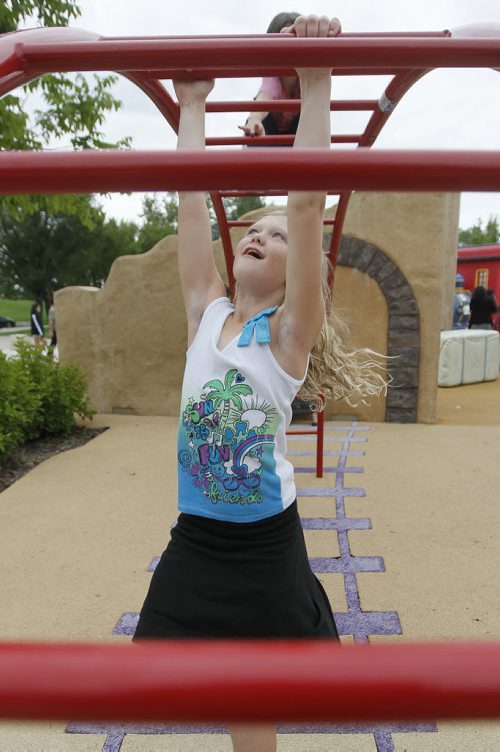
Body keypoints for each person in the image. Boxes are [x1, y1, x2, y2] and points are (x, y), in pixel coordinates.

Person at [134, 15, 386, 752]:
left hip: (265, 547)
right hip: (197, 539)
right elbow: (188, 200)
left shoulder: (285, 336)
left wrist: (316, 80)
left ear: (296, 277)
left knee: (253, 702)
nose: (262, 234)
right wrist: (192, 103)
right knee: (152, 676)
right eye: (254, 227)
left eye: (277, 238)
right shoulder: (204, 311)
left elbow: (307, 206)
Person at [239, 12, 303, 141]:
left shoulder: (306, 78)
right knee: (255, 130)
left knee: (309, 114)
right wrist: (254, 119)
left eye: (295, 44)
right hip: (269, 128)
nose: (290, 53)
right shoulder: (273, 77)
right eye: (284, 46)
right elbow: (265, 96)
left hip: (295, 131)